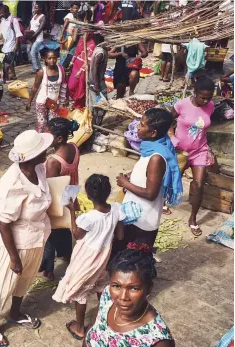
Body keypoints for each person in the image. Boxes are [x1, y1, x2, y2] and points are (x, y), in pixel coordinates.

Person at [0, 130, 53, 347]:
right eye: (43, 149)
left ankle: (15, 312)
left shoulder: (39, 168)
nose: (47, 151)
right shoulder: (12, 183)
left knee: (25, 279)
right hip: (15, 244)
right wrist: (14, 258)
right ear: (32, 155)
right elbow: (3, 223)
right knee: (3, 284)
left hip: (35, 237)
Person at [53, 174, 125, 340]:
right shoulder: (116, 209)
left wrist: (72, 212)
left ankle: (79, 327)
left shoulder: (88, 218)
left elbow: (77, 235)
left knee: (81, 291)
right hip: (103, 254)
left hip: (87, 257)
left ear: (88, 195)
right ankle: (103, 318)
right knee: (100, 284)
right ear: (108, 192)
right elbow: (120, 236)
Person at [116, 108, 183, 253]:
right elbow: (147, 172)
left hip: (141, 222)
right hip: (135, 214)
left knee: (132, 262)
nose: (138, 127)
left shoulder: (156, 157)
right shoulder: (152, 147)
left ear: (153, 133)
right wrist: (131, 175)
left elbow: (151, 193)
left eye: (142, 125)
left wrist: (125, 183)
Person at [84, 243, 175, 347]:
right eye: (117, 286)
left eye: (134, 288)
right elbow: (93, 327)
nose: (123, 297)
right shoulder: (107, 295)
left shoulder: (158, 340)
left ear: (149, 288)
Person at [169, 78, 216, 236]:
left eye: (209, 97)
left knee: (199, 184)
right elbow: (168, 119)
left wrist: (208, 149)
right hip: (180, 150)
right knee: (173, 179)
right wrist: (171, 136)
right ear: (194, 93)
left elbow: (203, 127)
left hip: (199, 150)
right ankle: (162, 202)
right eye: (202, 97)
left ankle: (193, 219)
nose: (206, 100)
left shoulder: (210, 106)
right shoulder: (182, 104)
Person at [39, 118, 80, 281]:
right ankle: (67, 255)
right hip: (71, 194)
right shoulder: (75, 148)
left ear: (59, 138)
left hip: (57, 201)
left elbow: (51, 189)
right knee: (65, 228)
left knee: (50, 235)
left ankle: (49, 269)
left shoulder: (53, 162)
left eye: (49, 136)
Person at [27, 49, 67, 133]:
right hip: (42, 102)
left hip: (54, 103)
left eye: (54, 58)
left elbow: (64, 85)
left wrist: (65, 99)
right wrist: (29, 102)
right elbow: (35, 87)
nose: (52, 60)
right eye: (49, 58)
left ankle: (51, 142)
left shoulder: (61, 70)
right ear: (45, 59)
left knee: (53, 125)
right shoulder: (41, 72)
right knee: (42, 125)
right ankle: (41, 142)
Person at [68, 32, 97, 109]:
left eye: (85, 34)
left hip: (83, 69)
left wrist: (80, 71)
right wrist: (72, 61)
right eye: (83, 34)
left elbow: (89, 60)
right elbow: (76, 52)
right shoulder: (81, 40)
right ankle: (75, 100)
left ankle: (78, 105)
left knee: (80, 87)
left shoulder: (92, 45)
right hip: (76, 65)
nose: (83, 35)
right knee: (71, 86)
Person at [0, 4, 23, 82]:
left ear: (7, 12)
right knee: (8, 61)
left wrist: (16, 45)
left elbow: (18, 33)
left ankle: (7, 76)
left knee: (9, 60)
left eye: (2, 13)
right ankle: (13, 75)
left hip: (11, 44)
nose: (1, 15)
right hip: (4, 44)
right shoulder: (2, 20)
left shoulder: (13, 20)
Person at [89, 36, 109, 111]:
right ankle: (97, 119)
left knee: (95, 102)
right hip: (97, 81)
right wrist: (96, 84)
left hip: (93, 80)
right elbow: (94, 68)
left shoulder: (99, 49)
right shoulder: (100, 53)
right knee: (103, 103)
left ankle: (95, 118)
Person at [27, 2, 46, 73]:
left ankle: (36, 69)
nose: (35, 9)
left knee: (32, 53)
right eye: (35, 7)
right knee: (34, 53)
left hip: (38, 39)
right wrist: (27, 32)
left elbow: (40, 29)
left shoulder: (43, 17)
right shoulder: (34, 15)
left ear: (41, 9)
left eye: (37, 8)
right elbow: (30, 25)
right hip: (32, 38)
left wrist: (33, 36)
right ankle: (40, 68)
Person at [59, 2, 80, 67]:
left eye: (77, 8)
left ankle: (64, 67)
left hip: (72, 37)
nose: (75, 10)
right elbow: (64, 26)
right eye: (74, 8)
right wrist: (61, 36)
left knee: (69, 53)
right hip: (67, 36)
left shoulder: (77, 17)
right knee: (64, 52)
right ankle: (61, 67)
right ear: (71, 8)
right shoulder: (69, 15)